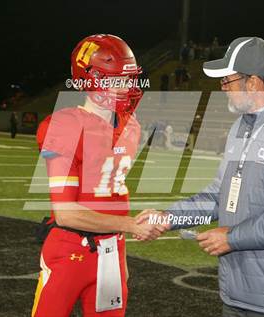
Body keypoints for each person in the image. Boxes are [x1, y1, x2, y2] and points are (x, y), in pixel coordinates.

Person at [137, 37, 264, 316]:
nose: (223, 90)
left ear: (253, 82)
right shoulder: (243, 126)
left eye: (227, 82)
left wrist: (233, 237)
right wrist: (169, 218)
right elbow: (220, 196)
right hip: (239, 294)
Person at [31, 34, 165, 317]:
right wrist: (130, 226)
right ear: (90, 79)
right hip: (70, 250)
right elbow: (66, 213)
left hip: (111, 252)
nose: (127, 87)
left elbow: (118, 196)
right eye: (117, 79)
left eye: (129, 79)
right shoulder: (65, 126)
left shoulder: (131, 125)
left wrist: (122, 256)